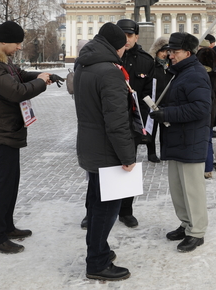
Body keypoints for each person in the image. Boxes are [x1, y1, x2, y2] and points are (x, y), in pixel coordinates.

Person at [0, 21, 53, 254]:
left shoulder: (0, 60)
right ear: (4, 41)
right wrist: (41, 82)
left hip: (9, 129)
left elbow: (19, 75)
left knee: (10, 182)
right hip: (0, 131)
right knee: (1, 185)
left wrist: (43, 75)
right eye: (16, 44)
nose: (18, 48)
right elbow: (16, 91)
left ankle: (6, 226)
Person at [74, 22, 137, 281]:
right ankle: (97, 262)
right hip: (106, 150)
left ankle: (99, 250)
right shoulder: (109, 72)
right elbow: (116, 121)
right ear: (116, 47)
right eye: (122, 48)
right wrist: (127, 156)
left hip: (90, 146)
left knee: (97, 204)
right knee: (106, 209)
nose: (123, 53)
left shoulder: (85, 66)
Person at [150, 32, 211, 253]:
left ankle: (197, 232)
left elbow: (201, 108)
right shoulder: (179, 73)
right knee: (178, 189)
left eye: (174, 52)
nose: (169, 55)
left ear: (187, 53)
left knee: (192, 189)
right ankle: (186, 224)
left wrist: (167, 114)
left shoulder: (194, 74)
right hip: (177, 139)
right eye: (169, 51)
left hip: (190, 140)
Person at [114, 19, 155, 228]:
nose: (126, 39)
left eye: (130, 35)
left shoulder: (146, 61)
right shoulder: (108, 58)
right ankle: (93, 207)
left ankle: (126, 211)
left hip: (131, 124)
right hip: (110, 122)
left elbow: (149, 96)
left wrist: (146, 125)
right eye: (122, 35)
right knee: (102, 167)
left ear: (136, 37)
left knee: (128, 166)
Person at [198, 47, 216, 179]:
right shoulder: (214, 75)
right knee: (208, 140)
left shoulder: (197, 74)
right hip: (211, 110)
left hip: (199, 110)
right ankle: (208, 169)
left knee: (199, 140)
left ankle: (200, 167)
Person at [148, 36, 172, 160]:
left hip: (167, 101)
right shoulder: (152, 65)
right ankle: (151, 152)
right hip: (153, 101)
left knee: (166, 130)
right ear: (156, 51)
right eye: (162, 51)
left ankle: (164, 152)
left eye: (167, 51)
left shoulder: (171, 66)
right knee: (152, 129)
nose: (164, 54)